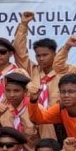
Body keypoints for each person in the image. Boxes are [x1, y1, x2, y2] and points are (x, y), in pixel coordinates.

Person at [15, 11, 61, 139]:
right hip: (33, 121)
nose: (41, 58)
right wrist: (24, 24)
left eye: (45, 55)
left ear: (55, 54)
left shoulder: (63, 74)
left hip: (56, 124)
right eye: (38, 55)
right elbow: (20, 52)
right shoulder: (32, 70)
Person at [0, 72, 39, 151]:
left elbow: (48, 139)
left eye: (16, 91)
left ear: (25, 92)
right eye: (8, 91)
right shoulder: (1, 109)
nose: (11, 95)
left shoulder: (36, 109)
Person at [28, 73, 76, 144]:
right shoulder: (60, 108)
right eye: (63, 92)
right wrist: (33, 100)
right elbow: (38, 119)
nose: (66, 95)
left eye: (71, 92)